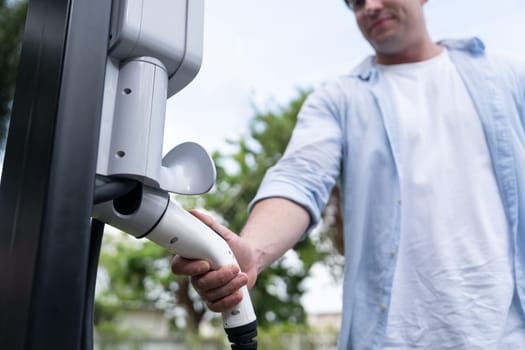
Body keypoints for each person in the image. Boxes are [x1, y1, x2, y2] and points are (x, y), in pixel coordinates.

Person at [172, 0, 525, 348]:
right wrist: (253, 251)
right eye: (355, 2)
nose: (368, 7)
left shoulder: (507, 77)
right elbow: (300, 177)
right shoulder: (337, 100)